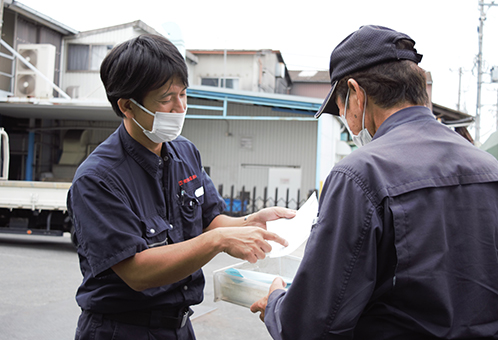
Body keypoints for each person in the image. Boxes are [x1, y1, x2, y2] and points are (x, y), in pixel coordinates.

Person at [250, 25, 498, 339]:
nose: (345, 120)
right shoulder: (489, 168)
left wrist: (276, 301)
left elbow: (311, 324)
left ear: (355, 93)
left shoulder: (360, 175)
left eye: (340, 109)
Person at [67, 34, 295, 340]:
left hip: (179, 327)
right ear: (127, 106)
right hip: (121, 330)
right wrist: (218, 241)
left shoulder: (184, 152)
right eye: (166, 98)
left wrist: (247, 222)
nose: (179, 107)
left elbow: (209, 221)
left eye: (183, 94)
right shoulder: (98, 179)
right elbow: (137, 272)